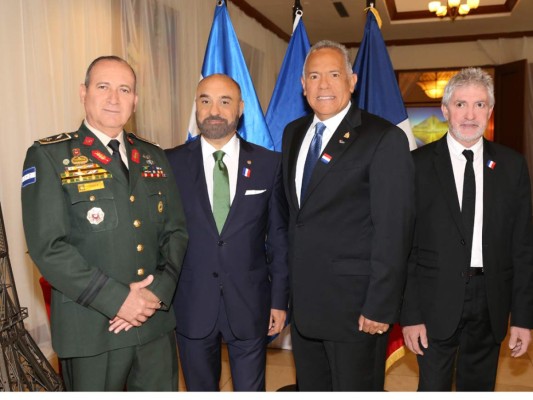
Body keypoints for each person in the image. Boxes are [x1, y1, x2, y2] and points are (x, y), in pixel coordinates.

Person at [21, 56, 188, 391]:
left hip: (154, 326)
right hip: (92, 331)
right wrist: (119, 300)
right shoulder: (50, 156)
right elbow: (48, 247)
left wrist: (157, 292)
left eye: (124, 89)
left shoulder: (154, 156)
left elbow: (176, 231)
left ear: (135, 101)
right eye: (103, 87)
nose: (114, 97)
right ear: (83, 93)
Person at [281, 40, 415, 391]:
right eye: (314, 76)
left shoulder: (382, 138)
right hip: (305, 307)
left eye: (334, 74)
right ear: (303, 84)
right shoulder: (293, 134)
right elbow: (293, 218)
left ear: (352, 81)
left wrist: (380, 306)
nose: (323, 85)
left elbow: (394, 230)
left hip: (355, 311)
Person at [400, 67, 533, 391]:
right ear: (445, 110)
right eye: (460, 104)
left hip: (491, 302)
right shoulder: (416, 166)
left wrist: (524, 319)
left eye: (479, 104)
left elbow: (523, 248)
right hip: (433, 304)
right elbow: (405, 247)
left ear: (490, 110)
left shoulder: (512, 166)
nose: (470, 114)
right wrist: (410, 314)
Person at [165, 74, 288, 391]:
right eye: (205, 100)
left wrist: (279, 300)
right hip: (191, 305)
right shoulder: (170, 164)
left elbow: (278, 239)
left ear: (241, 108)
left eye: (224, 101)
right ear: (196, 106)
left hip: (250, 304)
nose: (214, 110)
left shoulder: (268, 164)